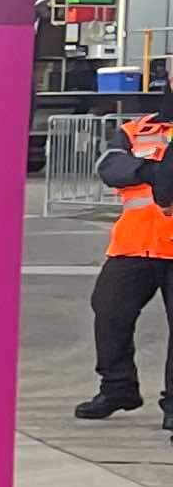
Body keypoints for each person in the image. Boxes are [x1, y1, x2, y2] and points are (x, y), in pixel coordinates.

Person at [75, 106, 173, 427]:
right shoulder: (137, 129)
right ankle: (118, 388)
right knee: (109, 310)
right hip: (134, 245)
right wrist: (150, 171)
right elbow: (109, 166)